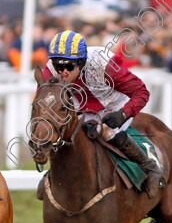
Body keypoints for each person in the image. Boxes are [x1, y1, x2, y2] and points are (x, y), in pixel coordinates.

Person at [39, 30, 164, 197]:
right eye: (58, 66)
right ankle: (53, 175)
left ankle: (149, 166)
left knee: (105, 131)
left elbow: (141, 92)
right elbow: (45, 105)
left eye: (69, 66)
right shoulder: (49, 71)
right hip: (81, 104)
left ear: (82, 62)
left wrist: (123, 114)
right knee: (65, 131)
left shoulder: (105, 64)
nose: (63, 72)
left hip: (114, 101)